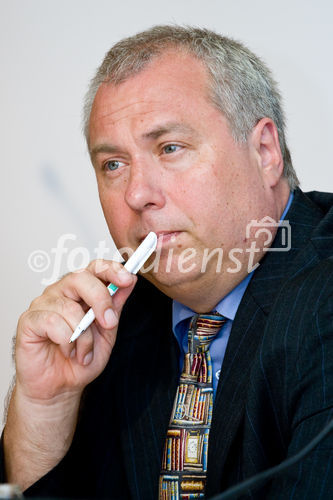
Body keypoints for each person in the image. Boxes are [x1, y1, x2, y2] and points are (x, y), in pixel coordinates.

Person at [1, 25, 333, 499]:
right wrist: (45, 403)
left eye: (170, 149)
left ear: (264, 151)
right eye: (113, 164)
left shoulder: (324, 297)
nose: (137, 195)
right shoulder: (112, 324)